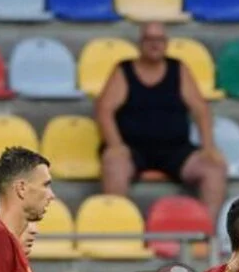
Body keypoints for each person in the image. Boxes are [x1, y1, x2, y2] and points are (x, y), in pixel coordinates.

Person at [96, 21, 227, 221]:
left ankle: (207, 236)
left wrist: (208, 147)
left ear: (166, 43)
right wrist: (115, 145)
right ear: (140, 43)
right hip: (132, 149)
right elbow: (104, 109)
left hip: (175, 149)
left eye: (159, 40)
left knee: (214, 168)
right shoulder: (124, 70)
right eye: (149, 39)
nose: (155, 44)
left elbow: (201, 109)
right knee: (114, 162)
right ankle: (119, 228)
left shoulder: (179, 69)